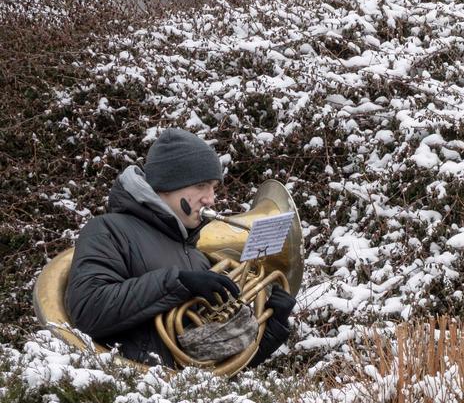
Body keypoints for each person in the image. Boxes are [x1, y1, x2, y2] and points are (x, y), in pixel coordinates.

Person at [67, 128, 295, 369]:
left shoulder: (198, 258)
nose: (211, 199)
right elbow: (88, 310)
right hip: (128, 394)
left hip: (186, 401)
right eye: (201, 186)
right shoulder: (108, 231)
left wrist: (268, 330)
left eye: (213, 187)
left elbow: (216, 368)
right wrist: (176, 283)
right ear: (167, 184)